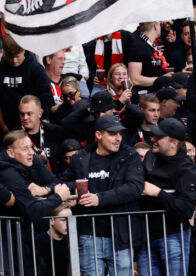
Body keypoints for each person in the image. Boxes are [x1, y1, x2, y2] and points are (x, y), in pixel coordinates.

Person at [58, 115, 143, 276]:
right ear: (98, 135)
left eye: (120, 133)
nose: (118, 138)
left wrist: (99, 199)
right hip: (89, 232)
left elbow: (135, 187)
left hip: (120, 233)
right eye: (112, 134)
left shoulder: (129, 155)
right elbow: (65, 182)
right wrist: (73, 189)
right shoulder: (81, 156)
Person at [136, 119, 196, 276]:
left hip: (173, 235)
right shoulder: (150, 157)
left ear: (173, 142)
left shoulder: (187, 168)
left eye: (159, 137)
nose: (153, 139)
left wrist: (158, 193)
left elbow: (186, 208)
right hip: (146, 237)